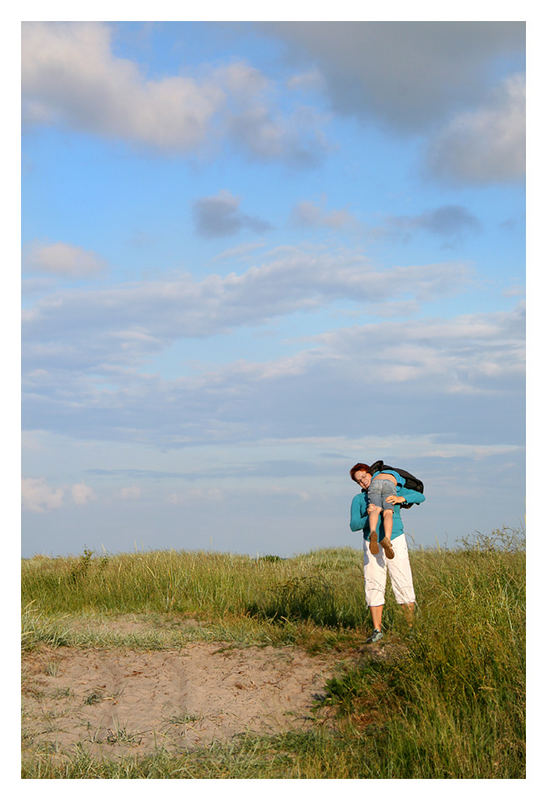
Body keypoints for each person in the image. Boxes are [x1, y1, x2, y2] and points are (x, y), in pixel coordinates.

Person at [349, 462, 425, 644]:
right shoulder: (359, 500)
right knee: (373, 583)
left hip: (396, 540)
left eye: (364, 478)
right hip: (371, 543)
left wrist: (401, 499)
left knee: (402, 580)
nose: (363, 483)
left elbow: (419, 496)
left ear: (371, 474)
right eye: (358, 482)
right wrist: (369, 515)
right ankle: (377, 630)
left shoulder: (391, 491)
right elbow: (353, 525)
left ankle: (410, 629)